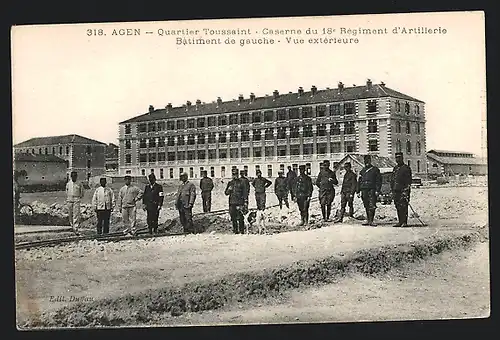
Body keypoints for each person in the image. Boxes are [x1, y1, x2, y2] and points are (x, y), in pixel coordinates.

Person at [356, 155, 382, 226]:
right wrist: (358, 191)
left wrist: (377, 190)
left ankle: (371, 220)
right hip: (364, 190)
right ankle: (368, 220)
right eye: (365, 161)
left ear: (370, 161)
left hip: (372, 190)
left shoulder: (375, 170)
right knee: (366, 205)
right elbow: (359, 181)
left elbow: (378, 181)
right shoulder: (362, 171)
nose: (366, 162)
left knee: (372, 205)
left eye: (368, 161)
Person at [391, 152, 413, 227]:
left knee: (403, 206)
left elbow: (408, 181)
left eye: (399, 158)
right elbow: (392, 179)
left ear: (402, 158)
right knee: (397, 206)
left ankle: (404, 222)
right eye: (396, 158)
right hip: (396, 190)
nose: (397, 159)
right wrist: (392, 190)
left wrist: (406, 191)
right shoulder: (395, 168)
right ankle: (400, 221)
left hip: (403, 191)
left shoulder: (406, 168)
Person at [225, 168, 248, 234]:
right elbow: (226, 193)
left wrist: (245, 202)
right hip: (232, 203)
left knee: (241, 217)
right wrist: (229, 190)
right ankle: (235, 231)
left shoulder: (242, 182)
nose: (234, 176)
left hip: (240, 203)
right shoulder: (230, 183)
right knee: (233, 217)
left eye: (235, 174)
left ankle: (241, 230)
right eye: (233, 174)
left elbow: (245, 193)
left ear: (238, 174)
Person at [66, 171, 85, 235]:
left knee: (76, 214)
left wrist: (79, 198)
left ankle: (76, 227)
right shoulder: (68, 184)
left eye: (75, 176)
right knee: (70, 213)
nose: (74, 177)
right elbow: (67, 191)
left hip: (76, 199)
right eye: (73, 176)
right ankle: (72, 226)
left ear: (76, 177)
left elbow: (82, 192)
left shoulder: (79, 184)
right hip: (69, 199)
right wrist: (69, 198)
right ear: (71, 176)